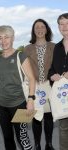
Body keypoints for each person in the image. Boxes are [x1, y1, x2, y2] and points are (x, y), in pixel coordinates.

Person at [0, 25, 36, 150]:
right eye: (0, 38)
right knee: (7, 138)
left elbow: (32, 79)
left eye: (6, 37)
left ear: (13, 38)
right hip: (2, 105)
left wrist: (31, 100)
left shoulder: (20, 56)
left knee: (22, 139)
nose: (3, 41)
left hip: (19, 104)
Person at [24, 19, 55, 150]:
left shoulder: (54, 46)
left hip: (49, 85)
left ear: (46, 29)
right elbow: (23, 68)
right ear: (33, 30)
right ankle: (37, 145)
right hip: (34, 86)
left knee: (48, 116)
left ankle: (49, 144)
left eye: (43, 26)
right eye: (37, 27)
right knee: (36, 117)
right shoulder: (27, 48)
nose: (40, 29)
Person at [48, 13, 68, 150]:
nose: (64, 27)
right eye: (61, 24)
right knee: (64, 129)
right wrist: (52, 75)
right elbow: (51, 69)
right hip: (63, 97)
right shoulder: (57, 47)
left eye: (67, 23)